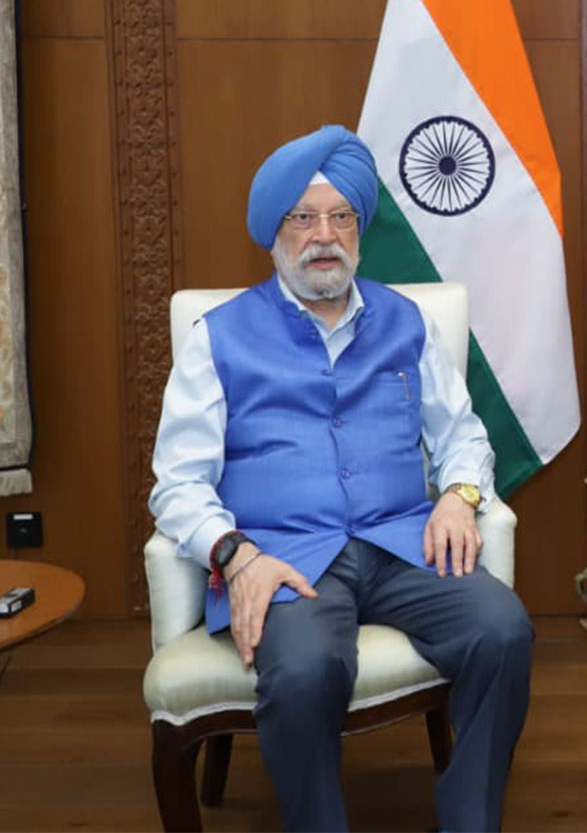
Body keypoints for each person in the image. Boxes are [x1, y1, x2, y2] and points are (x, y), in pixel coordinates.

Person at [148, 125, 533, 832]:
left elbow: (462, 435)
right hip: (285, 561)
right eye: (303, 218)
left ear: (358, 229)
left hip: (402, 545)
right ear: (275, 234)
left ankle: (469, 822)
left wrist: (459, 494)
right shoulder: (219, 335)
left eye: (341, 217)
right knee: (303, 673)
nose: (323, 235)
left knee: (502, 630)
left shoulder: (406, 322)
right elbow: (176, 482)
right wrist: (235, 555)